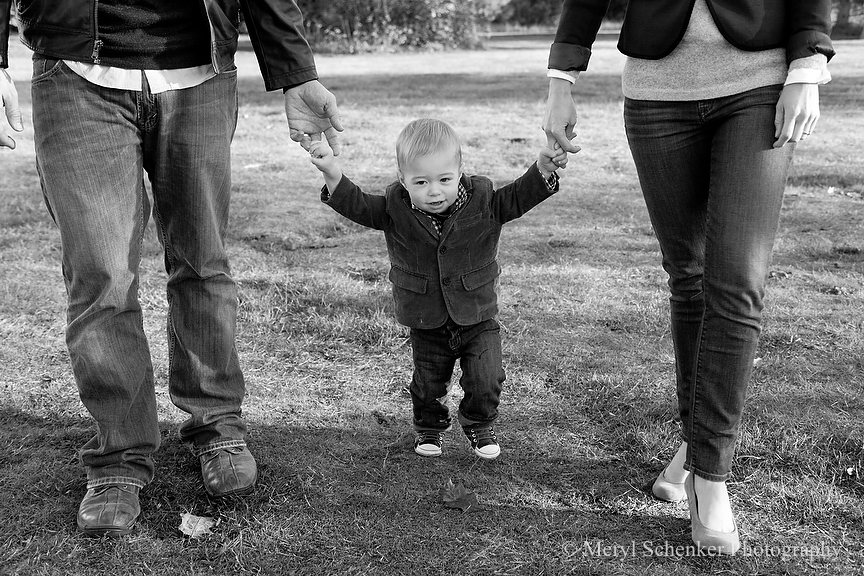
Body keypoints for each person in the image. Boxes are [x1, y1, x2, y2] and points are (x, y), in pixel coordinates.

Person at [0, 0, 342, 537]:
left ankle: (217, 425)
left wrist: (297, 72)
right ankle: (118, 456)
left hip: (199, 73)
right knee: (101, 277)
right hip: (74, 73)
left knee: (202, 263)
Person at [544, 0, 834, 555]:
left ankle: (710, 476)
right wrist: (561, 81)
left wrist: (806, 69)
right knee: (690, 278)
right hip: (657, 94)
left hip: (758, 84)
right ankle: (695, 447)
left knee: (738, 281)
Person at [308, 118, 571, 461]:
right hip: (425, 315)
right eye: (421, 182)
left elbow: (519, 196)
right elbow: (358, 203)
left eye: (445, 180)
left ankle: (479, 424)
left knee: (487, 377)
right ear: (403, 179)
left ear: (460, 171)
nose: (434, 191)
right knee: (428, 382)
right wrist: (331, 172)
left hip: (477, 312)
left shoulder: (484, 200)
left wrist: (543, 170)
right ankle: (429, 427)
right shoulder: (394, 207)